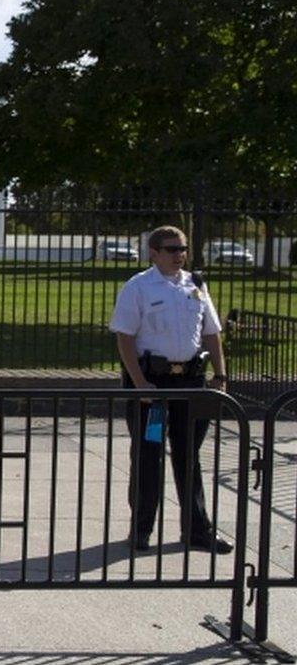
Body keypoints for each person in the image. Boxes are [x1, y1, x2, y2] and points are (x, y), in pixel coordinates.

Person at [108, 225, 233, 554]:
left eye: (183, 249)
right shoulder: (138, 287)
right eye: (172, 249)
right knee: (148, 454)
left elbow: (211, 333)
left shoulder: (195, 285)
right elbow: (124, 337)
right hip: (153, 384)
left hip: (191, 382)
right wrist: (139, 384)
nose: (179, 254)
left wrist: (219, 375)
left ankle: (197, 530)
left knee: (188, 455)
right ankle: (141, 529)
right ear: (154, 252)